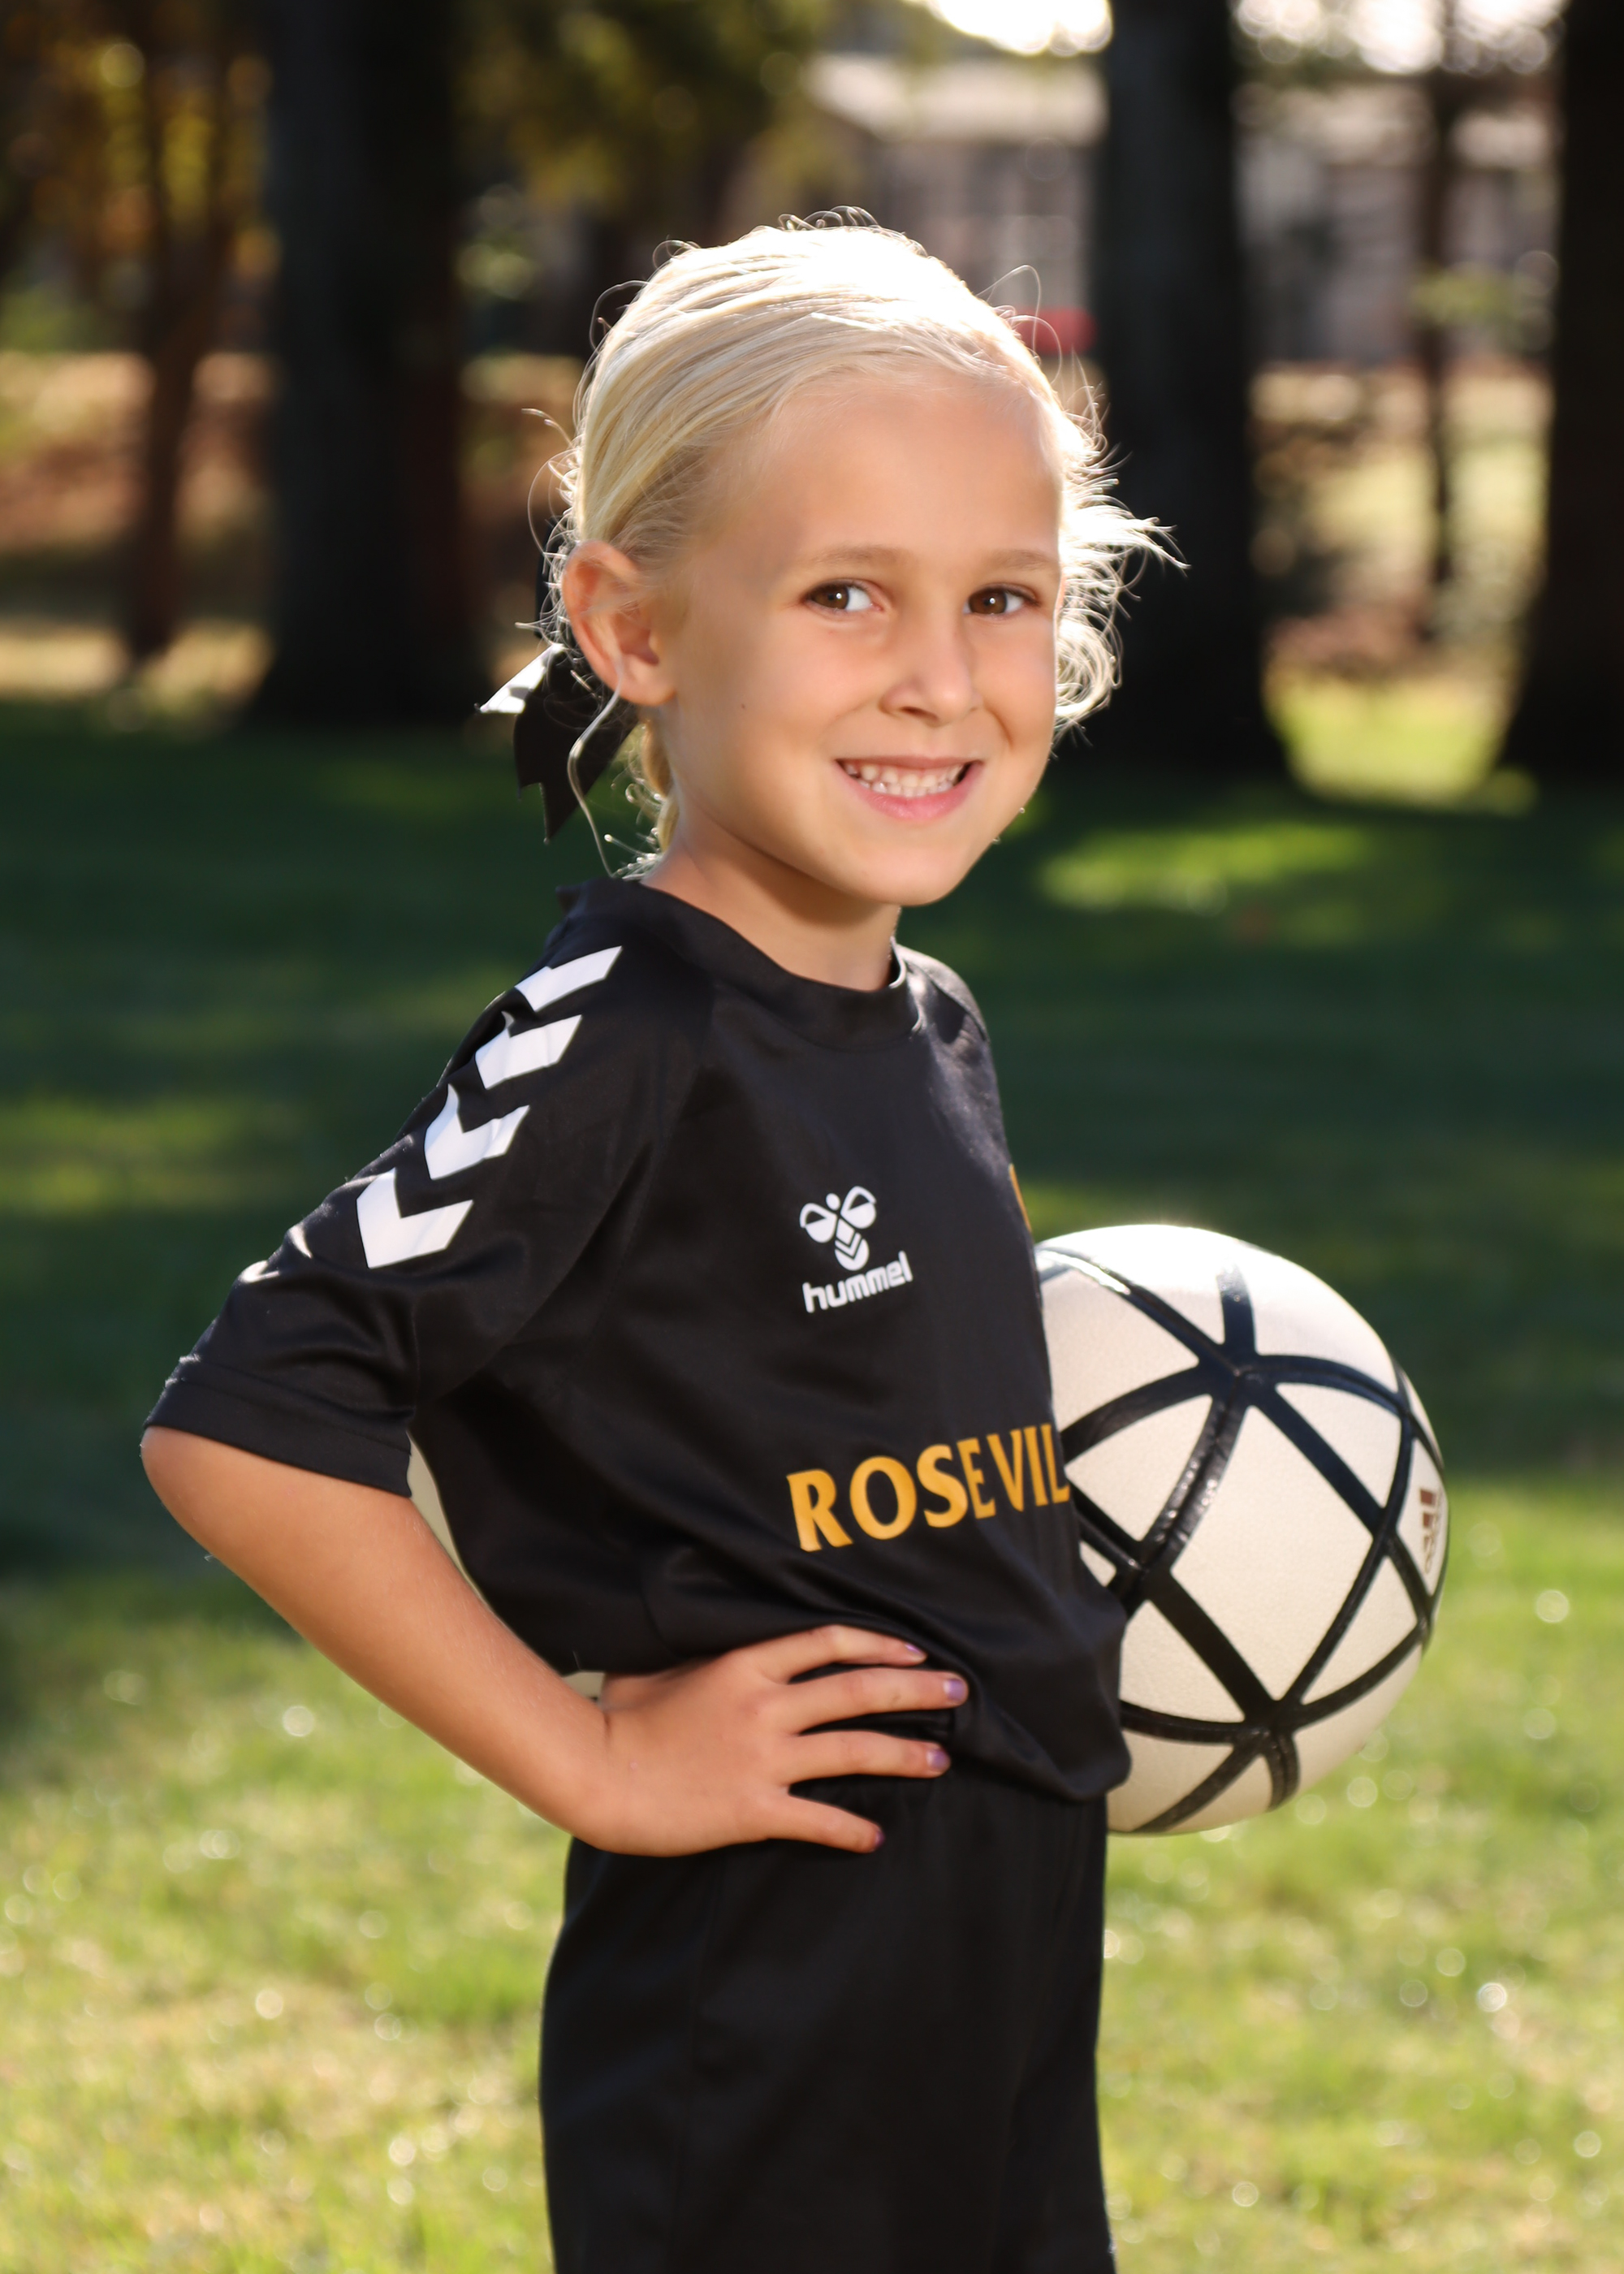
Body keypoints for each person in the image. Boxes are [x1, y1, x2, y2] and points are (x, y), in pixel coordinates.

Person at [142, 218, 1151, 2274]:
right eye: (845, 591)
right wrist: (594, 1753)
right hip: (767, 1988)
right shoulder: (624, 1024)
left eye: (1001, 596)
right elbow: (246, 1420)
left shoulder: (929, 1020)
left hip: (1001, 1938)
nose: (940, 676)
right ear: (634, 626)